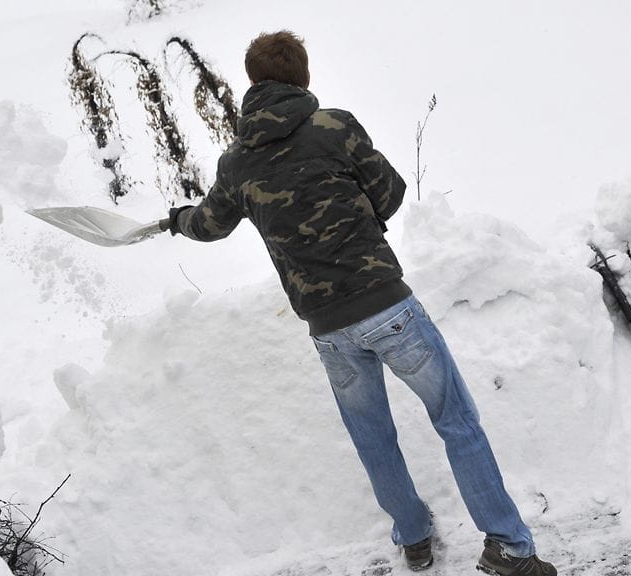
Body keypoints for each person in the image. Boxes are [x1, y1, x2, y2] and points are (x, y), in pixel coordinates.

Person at [163, 30, 555, 576]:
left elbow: (209, 224)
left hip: (328, 330)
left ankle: (414, 538)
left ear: (252, 82)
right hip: (388, 309)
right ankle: (509, 548)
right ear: (304, 77)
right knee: (456, 420)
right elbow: (390, 193)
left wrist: (176, 220)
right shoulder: (335, 127)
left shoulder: (238, 164)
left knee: (373, 437)